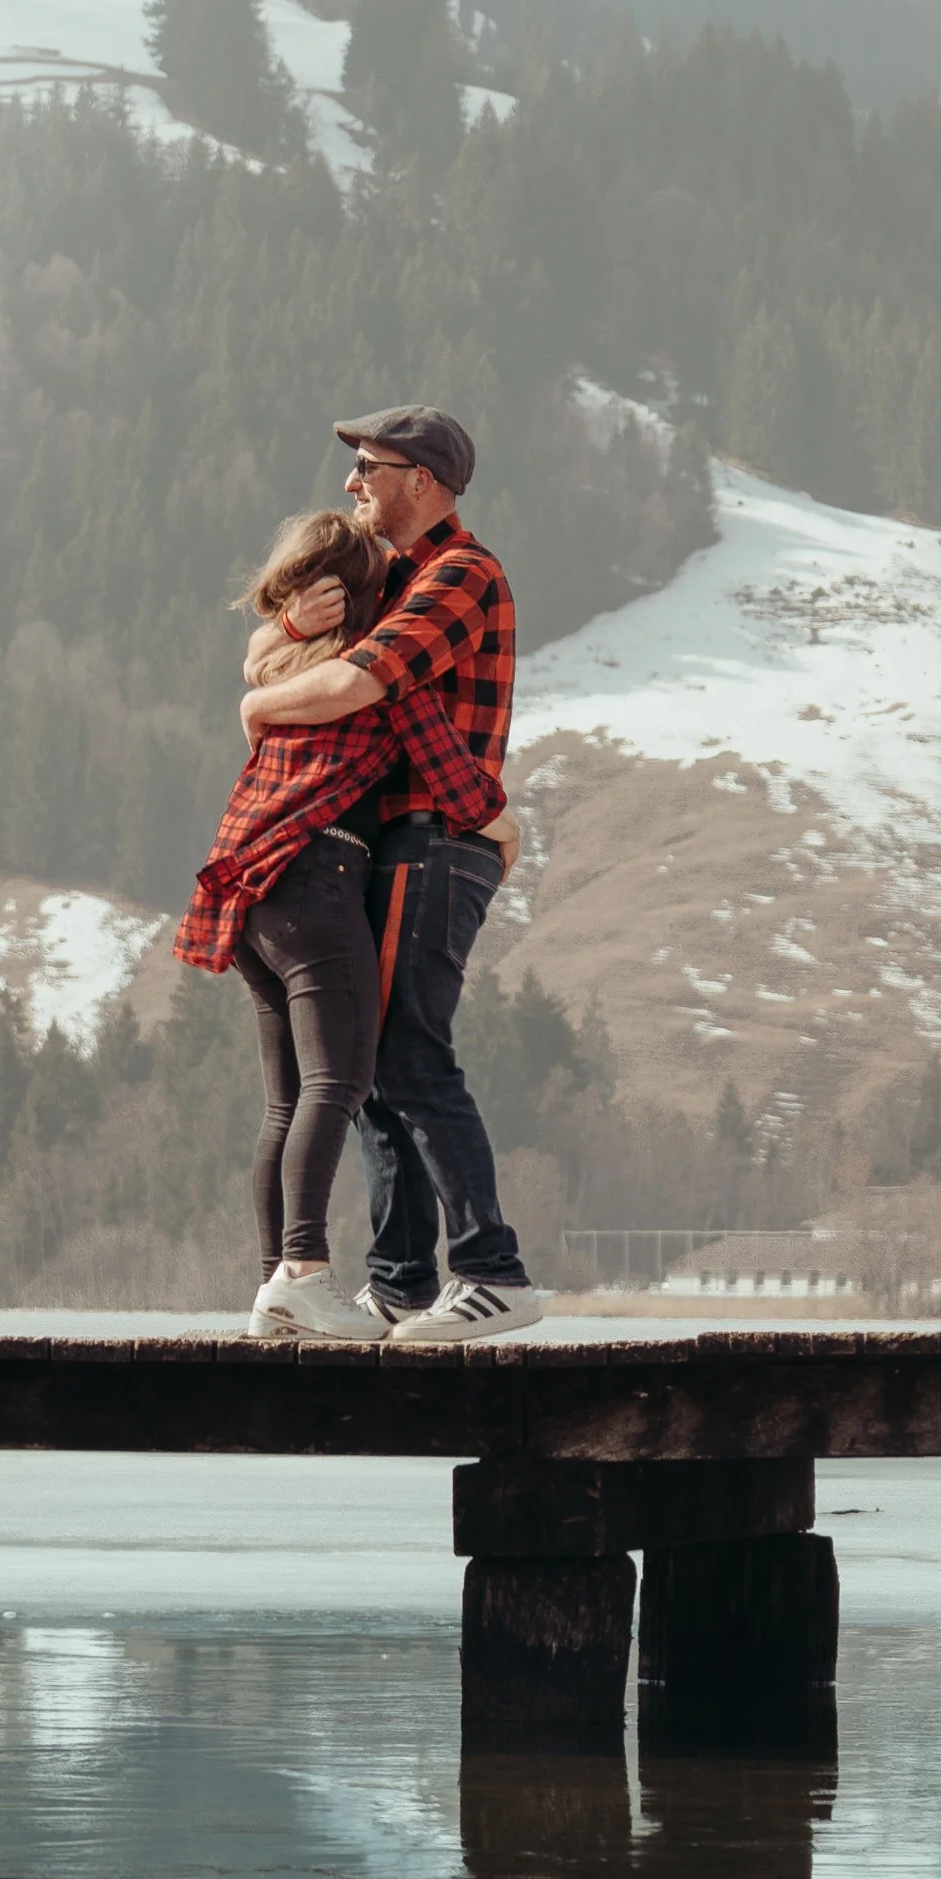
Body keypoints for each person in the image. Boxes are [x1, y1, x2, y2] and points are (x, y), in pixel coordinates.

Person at [239, 407, 546, 1342]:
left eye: (367, 466)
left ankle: (493, 1271)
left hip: (434, 838)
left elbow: (359, 683)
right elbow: (286, 649)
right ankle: (403, 1280)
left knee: (409, 1051)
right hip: (394, 836)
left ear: (422, 479)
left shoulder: (460, 572)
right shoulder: (391, 576)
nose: (350, 483)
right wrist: (281, 632)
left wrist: (255, 709)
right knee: (368, 1067)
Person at [175, 505, 514, 1342]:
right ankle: (302, 1271)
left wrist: (282, 631)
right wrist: (500, 827)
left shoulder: (287, 663)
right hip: (319, 879)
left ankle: (276, 1294)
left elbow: (257, 668)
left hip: (247, 886)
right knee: (340, 1083)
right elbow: (443, 763)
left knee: (288, 1101)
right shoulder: (363, 676)